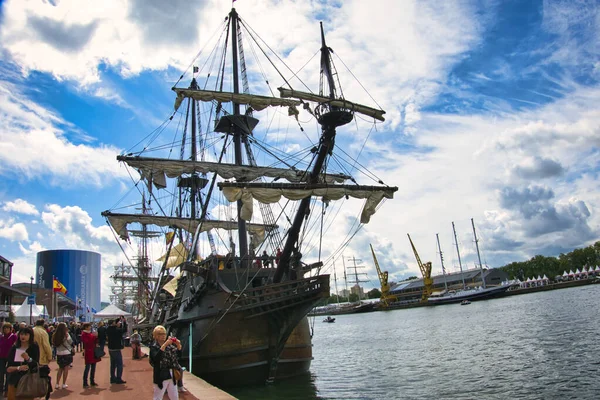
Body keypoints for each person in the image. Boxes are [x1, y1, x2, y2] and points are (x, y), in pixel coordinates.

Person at [5, 327, 40, 400]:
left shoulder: (34, 347)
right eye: (21, 334)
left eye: (26, 334)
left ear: (30, 336)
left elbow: (36, 365)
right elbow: (8, 368)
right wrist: (18, 368)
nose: (23, 336)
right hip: (14, 381)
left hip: (28, 381)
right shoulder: (14, 348)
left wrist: (28, 358)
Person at [149, 326, 181, 400]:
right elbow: (156, 359)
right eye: (160, 334)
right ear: (156, 335)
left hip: (171, 373)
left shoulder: (170, 346)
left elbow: (178, 356)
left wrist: (178, 345)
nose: (163, 336)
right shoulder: (154, 347)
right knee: (158, 397)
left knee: (175, 397)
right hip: (161, 374)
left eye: (164, 334)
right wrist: (165, 345)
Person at [52, 322, 74, 389]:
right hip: (66, 352)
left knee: (60, 368)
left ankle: (57, 384)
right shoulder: (66, 334)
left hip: (59, 353)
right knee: (66, 368)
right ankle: (64, 383)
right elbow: (71, 342)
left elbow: (53, 343)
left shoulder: (55, 334)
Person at [106, 316, 127, 384]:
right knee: (119, 364)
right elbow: (124, 330)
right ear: (113, 323)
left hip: (110, 349)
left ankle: (112, 378)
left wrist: (119, 318)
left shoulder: (108, 329)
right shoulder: (116, 330)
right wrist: (124, 321)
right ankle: (118, 378)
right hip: (116, 349)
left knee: (112, 365)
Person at [80, 323, 101, 388]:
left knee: (93, 368)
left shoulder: (90, 333)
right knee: (87, 368)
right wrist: (94, 337)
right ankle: (85, 382)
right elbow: (87, 341)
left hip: (93, 351)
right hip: (89, 352)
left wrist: (96, 337)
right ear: (86, 327)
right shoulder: (84, 334)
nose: (90, 327)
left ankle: (92, 381)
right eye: (89, 326)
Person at [0, 322, 17, 396]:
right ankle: (1, 388)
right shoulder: (1, 337)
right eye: (4, 328)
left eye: (7, 328)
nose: (6, 329)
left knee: (8, 373)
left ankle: (7, 389)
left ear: (10, 329)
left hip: (10, 358)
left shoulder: (13, 337)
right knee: (1, 373)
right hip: (1, 357)